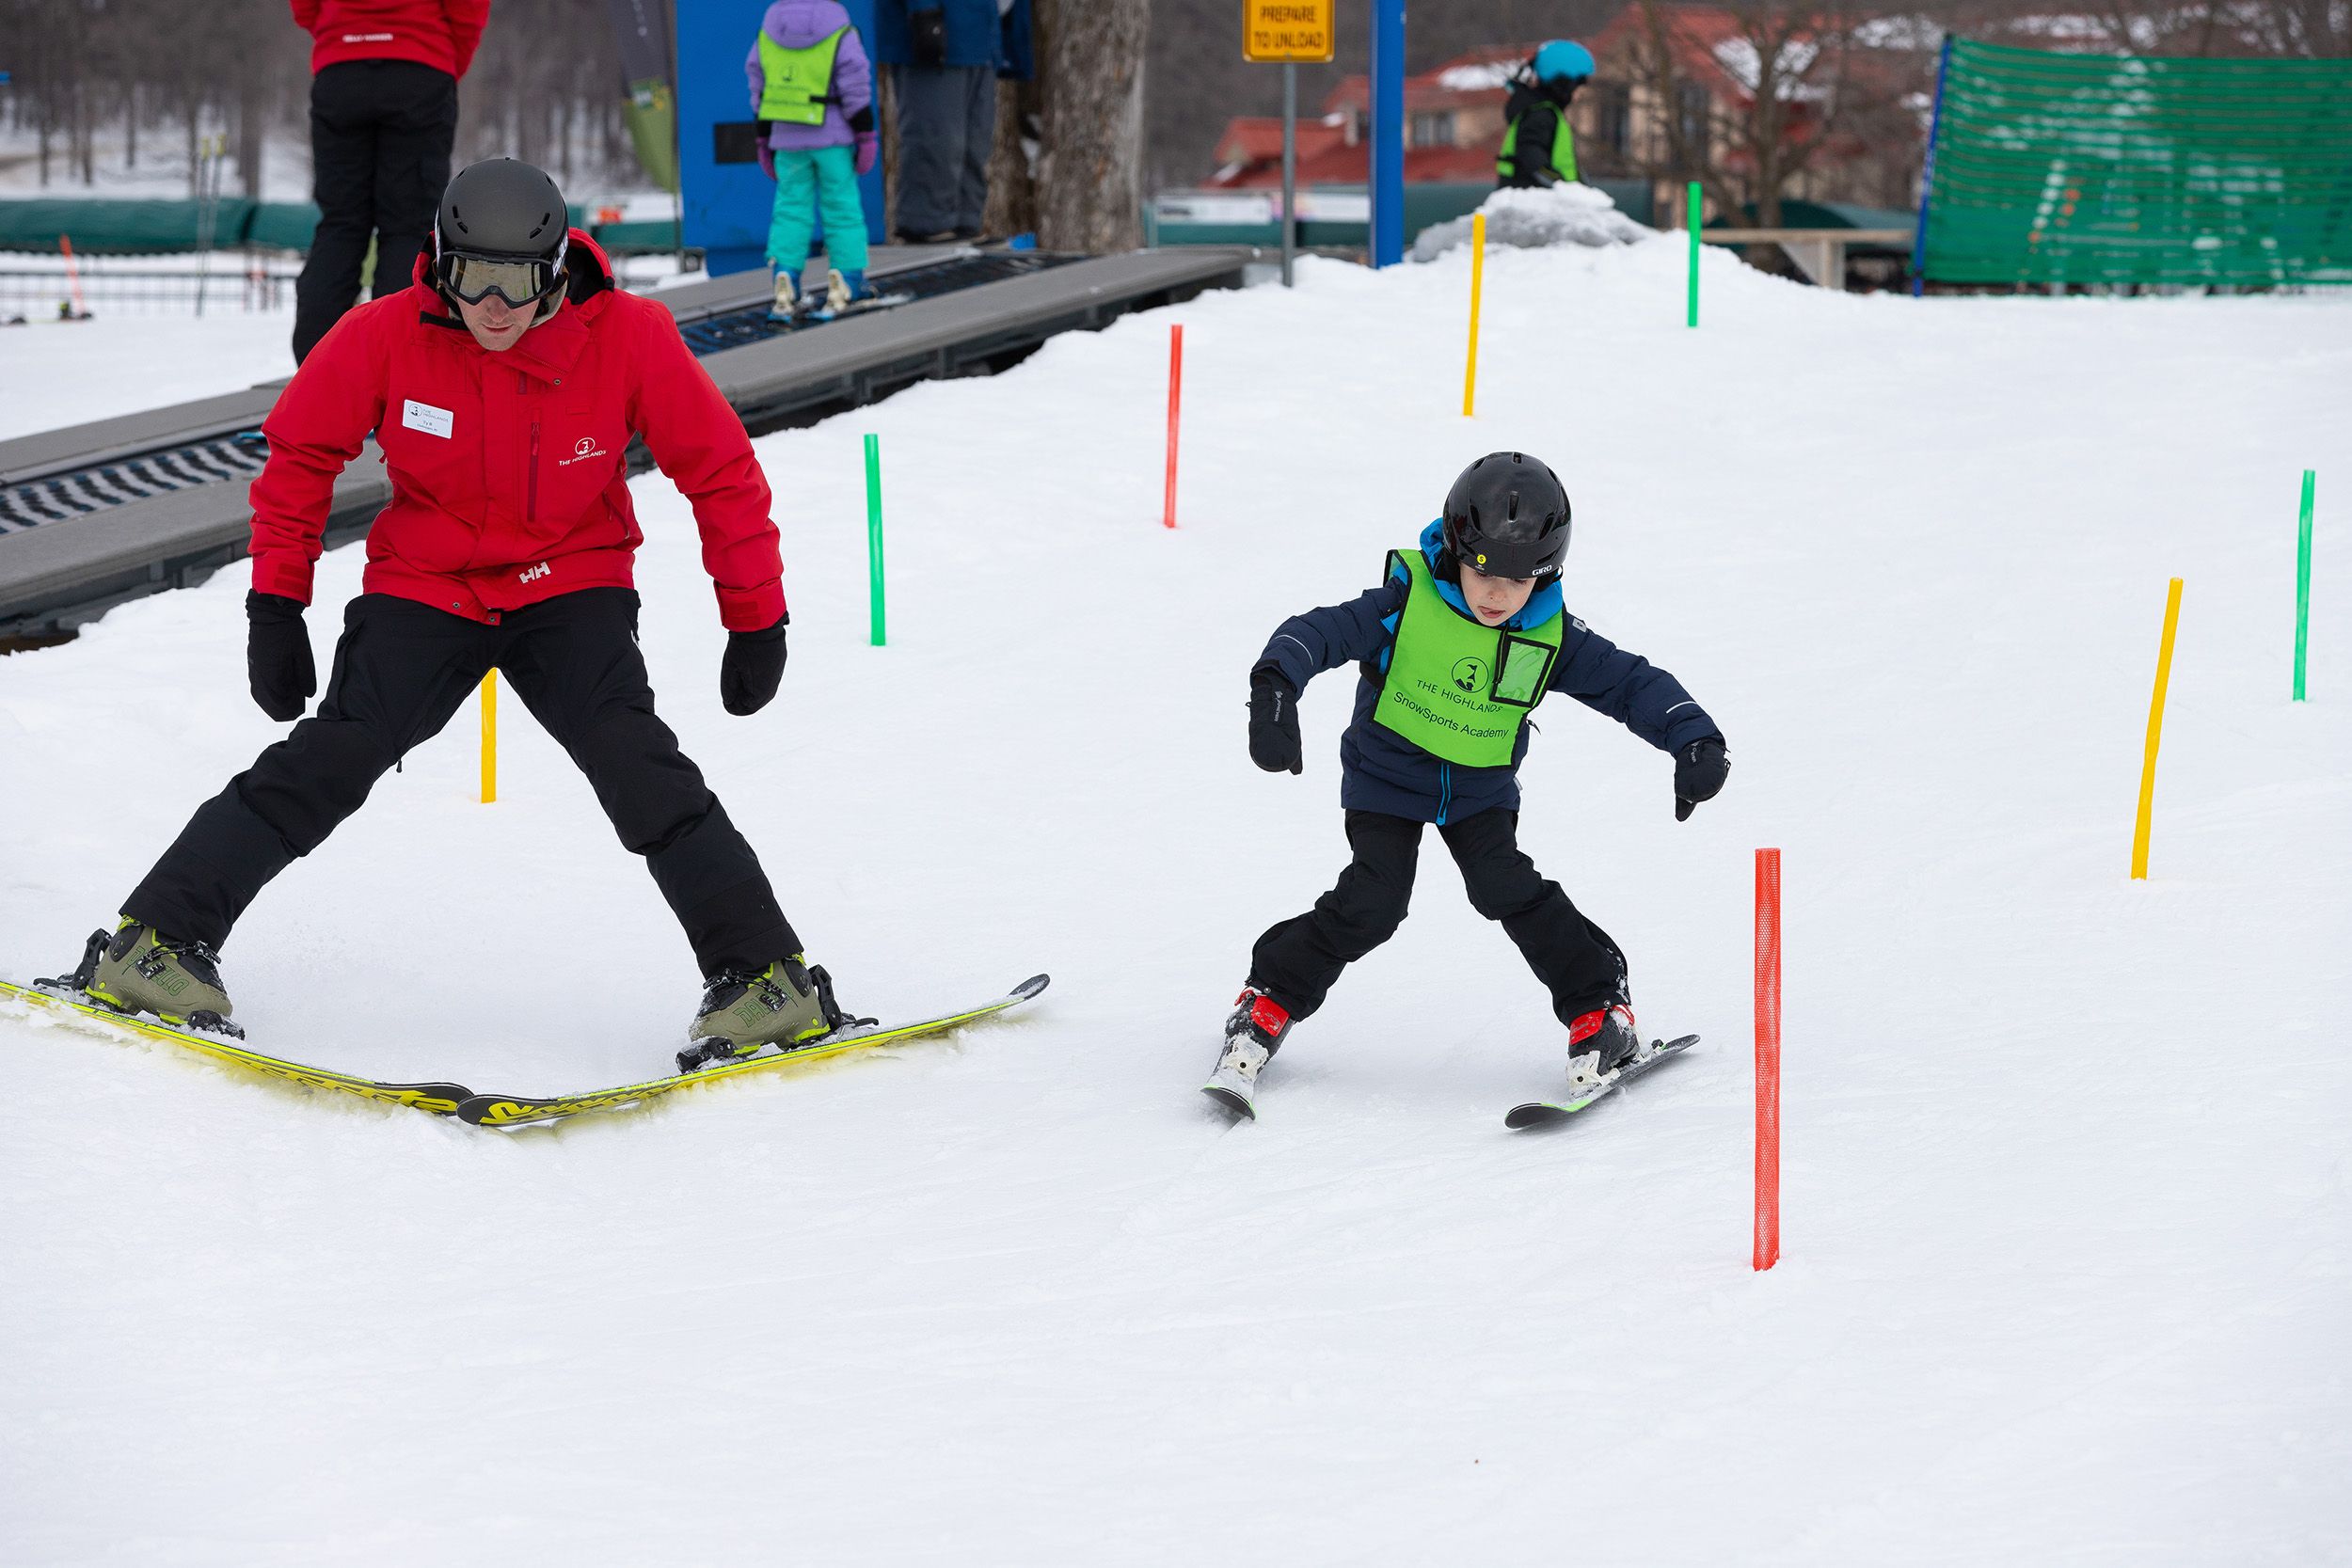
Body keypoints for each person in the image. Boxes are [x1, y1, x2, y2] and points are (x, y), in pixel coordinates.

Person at [75, 158, 862, 1074]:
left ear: (558, 269)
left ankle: (764, 978)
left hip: (570, 582)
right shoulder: (385, 334)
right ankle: (154, 945)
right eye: (473, 275)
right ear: (440, 261)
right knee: (337, 751)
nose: (496, 304)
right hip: (428, 584)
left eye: (521, 279)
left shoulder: (628, 337)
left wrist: (755, 615)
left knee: (638, 764)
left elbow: (720, 470)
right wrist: (275, 603)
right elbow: (298, 458)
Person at [1204, 452, 1730, 1117]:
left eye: (1519, 577)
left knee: (1503, 885)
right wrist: (1275, 687)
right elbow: (1315, 633)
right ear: (1455, 548)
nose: (1497, 592)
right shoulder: (1405, 603)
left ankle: (1600, 1011)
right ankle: (1268, 1000)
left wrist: (1693, 737)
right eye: (1482, 567)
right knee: (1373, 899)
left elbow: (1629, 683)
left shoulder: (1549, 634)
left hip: (1479, 793)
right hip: (1385, 781)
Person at [288, 0, 489, 364]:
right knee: (407, 227)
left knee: (341, 224)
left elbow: (305, 8)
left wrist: (342, 35)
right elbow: (468, 10)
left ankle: (315, 365)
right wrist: (441, 58)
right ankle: (394, 362)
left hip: (342, 70)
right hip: (420, 67)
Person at [747, 0, 880, 322]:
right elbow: (856, 85)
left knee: (790, 210)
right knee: (841, 209)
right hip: (834, 139)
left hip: (787, 139)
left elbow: (759, 86)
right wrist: (866, 136)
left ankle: (785, 279)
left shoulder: (768, 31)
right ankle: (847, 281)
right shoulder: (840, 30)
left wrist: (764, 139)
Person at [870, 0, 1009, 244]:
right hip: (934, 30)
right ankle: (927, 224)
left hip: (980, 34)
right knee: (937, 137)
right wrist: (923, 12)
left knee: (975, 142)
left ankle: (965, 222)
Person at [1496, 40, 1593, 189]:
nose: (1580, 93)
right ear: (1563, 83)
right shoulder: (1540, 115)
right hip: (1531, 202)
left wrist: (1578, 184)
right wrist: (1560, 184)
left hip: (1543, 200)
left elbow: (1559, 160)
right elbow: (1531, 150)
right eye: (1578, 85)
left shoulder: (1546, 113)